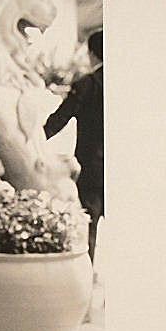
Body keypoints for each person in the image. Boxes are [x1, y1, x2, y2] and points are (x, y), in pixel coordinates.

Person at [44, 30, 104, 261]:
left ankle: (86, 272)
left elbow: (58, 120)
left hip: (91, 167)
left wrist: (34, 140)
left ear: (92, 54)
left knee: (88, 225)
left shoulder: (88, 84)